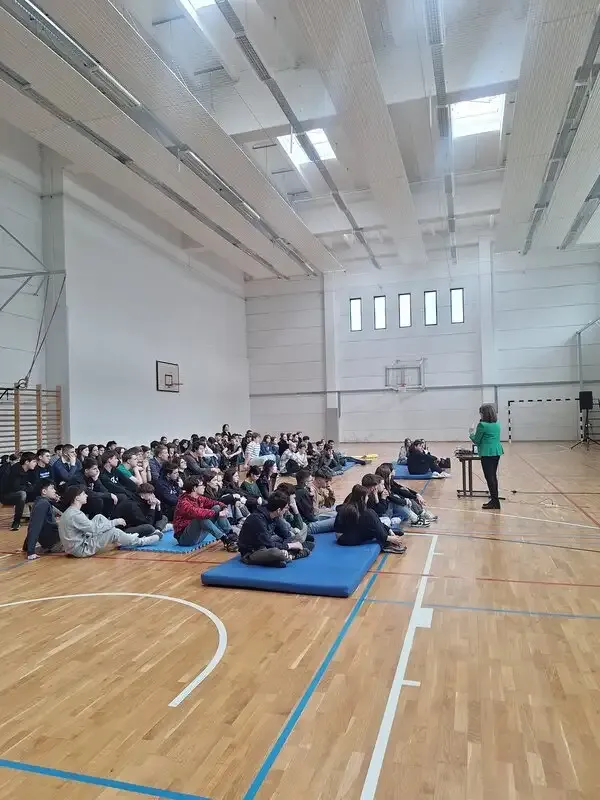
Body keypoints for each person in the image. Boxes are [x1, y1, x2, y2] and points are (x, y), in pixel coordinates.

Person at [58, 485, 162, 556]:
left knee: (99, 517)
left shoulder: (71, 511)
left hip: (77, 544)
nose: (86, 495)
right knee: (113, 532)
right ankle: (140, 541)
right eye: (83, 494)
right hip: (81, 549)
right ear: (77, 498)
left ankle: (123, 538)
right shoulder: (75, 515)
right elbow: (93, 529)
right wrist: (115, 522)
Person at [237, 491, 308, 567]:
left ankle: (283, 557)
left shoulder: (275, 516)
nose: (286, 510)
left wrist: (286, 546)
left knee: (306, 542)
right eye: (285, 508)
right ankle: (292, 556)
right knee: (276, 553)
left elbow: (286, 535)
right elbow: (268, 543)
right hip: (253, 551)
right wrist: (289, 546)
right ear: (279, 510)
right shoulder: (257, 519)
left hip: (267, 544)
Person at [334, 485, 406, 554]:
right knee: (370, 515)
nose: (368, 498)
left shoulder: (351, 506)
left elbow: (374, 522)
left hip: (343, 537)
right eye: (367, 496)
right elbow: (372, 523)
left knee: (371, 518)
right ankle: (387, 543)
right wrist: (389, 538)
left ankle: (388, 534)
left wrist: (389, 530)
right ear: (362, 498)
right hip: (345, 538)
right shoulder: (354, 510)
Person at [173, 476, 238, 550]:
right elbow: (197, 512)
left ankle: (230, 534)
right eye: (202, 485)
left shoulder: (199, 498)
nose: (204, 486)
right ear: (194, 488)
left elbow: (215, 502)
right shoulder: (183, 502)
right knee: (200, 517)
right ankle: (225, 539)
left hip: (198, 535)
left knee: (217, 507)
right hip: (185, 539)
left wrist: (224, 508)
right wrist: (217, 514)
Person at [470, 403, 504, 510]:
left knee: (489, 477)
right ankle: (494, 500)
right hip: (496, 452)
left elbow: (476, 440)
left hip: (487, 453)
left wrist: (471, 433)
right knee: (493, 476)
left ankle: (495, 502)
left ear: (484, 414)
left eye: (481, 413)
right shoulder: (497, 424)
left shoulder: (482, 425)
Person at [23, 479, 62, 560]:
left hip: (56, 541)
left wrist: (25, 547)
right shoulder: (43, 504)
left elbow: (32, 525)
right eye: (52, 488)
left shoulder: (41, 502)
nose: (55, 491)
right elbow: (34, 527)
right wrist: (30, 552)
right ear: (44, 491)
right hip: (56, 543)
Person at [2, 451, 38, 531]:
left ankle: (36, 517)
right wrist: (30, 487)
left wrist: (33, 487)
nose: (36, 464)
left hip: (23, 491)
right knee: (22, 494)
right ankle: (16, 521)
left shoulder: (32, 470)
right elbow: (16, 487)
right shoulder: (15, 469)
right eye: (34, 462)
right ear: (27, 462)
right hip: (7, 495)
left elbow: (35, 483)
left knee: (40, 491)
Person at [294, 470, 336, 535]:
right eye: (326, 481)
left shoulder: (319, 489)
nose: (328, 484)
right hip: (308, 524)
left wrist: (331, 492)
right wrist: (330, 510)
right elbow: (313, 514)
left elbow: (329, 504)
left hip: (312, 518)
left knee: (338, 510)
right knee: (338, 517)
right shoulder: (308, 492)